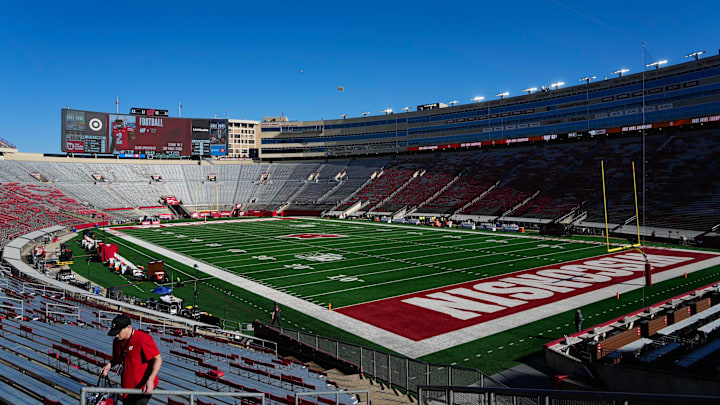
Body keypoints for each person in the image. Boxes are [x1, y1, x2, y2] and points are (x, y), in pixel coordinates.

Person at [101, 315, 162, 405]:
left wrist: (150, 380)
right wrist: (109, 365)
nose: (116, 335)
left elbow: (158, 359)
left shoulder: (142, 339)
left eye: (118, 332)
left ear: (128, 327)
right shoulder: (117, 341)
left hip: (142, 387)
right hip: (127, 387)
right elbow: (117, 358)